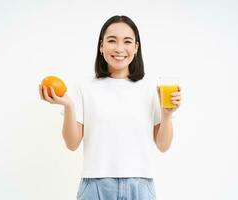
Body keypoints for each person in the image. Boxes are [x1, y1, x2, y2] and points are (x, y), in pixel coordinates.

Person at [39, 15, 181, 200]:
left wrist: (167, 115)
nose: (119, 48)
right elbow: (72, 143)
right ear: (101, 46)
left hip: (140, 186)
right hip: (95, 187)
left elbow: (163, 145)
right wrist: (68, 106)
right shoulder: (84, 87)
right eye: (112, 41)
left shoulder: (151, 88)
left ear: (136, 48)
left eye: (127, 41)